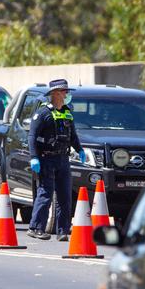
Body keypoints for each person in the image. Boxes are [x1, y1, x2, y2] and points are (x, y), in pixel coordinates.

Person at [27, 79, 85, 241]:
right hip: (46, 159)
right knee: (45, 194)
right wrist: (34, 158)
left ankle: (63, 230)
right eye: (64, 92)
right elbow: (31, 136)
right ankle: (36, 227)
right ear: (55, 93)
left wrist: (79, 149)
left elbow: (72, 135)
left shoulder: (67, 112)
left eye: (67, 92)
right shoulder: (43, 113)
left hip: (63, 159)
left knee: (65, 196)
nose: (67, 95)